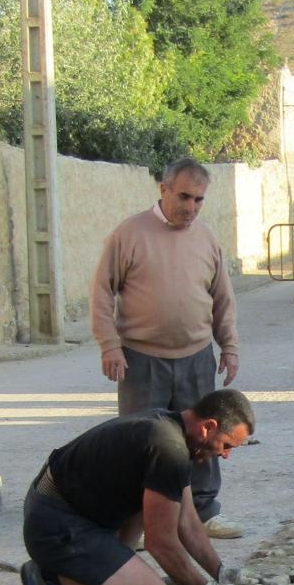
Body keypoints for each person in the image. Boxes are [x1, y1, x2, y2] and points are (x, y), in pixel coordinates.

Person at [91, 158, 244, 539]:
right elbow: (102, 291)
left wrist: (229, 346)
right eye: (184, 197)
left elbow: (222, 297)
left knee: (206, 439)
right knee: (141, 443)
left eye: (199, 200)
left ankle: (205, 513)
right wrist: (110, 345)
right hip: (141, 360)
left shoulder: (206, 238)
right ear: (163, 189)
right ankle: (136, 523)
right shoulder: (129, 234)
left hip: (195, 357)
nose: (190, 208)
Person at [19, 389, 262, 585]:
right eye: (227, 445)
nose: (226, 455)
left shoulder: (173, 431)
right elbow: (160, 543)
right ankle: (48, 576)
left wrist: (222, 575)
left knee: (153, 504)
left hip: (76, 515)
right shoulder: (168, 448)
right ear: (208, 427)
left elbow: (187, 523)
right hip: (55, 526)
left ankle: (109, 575)